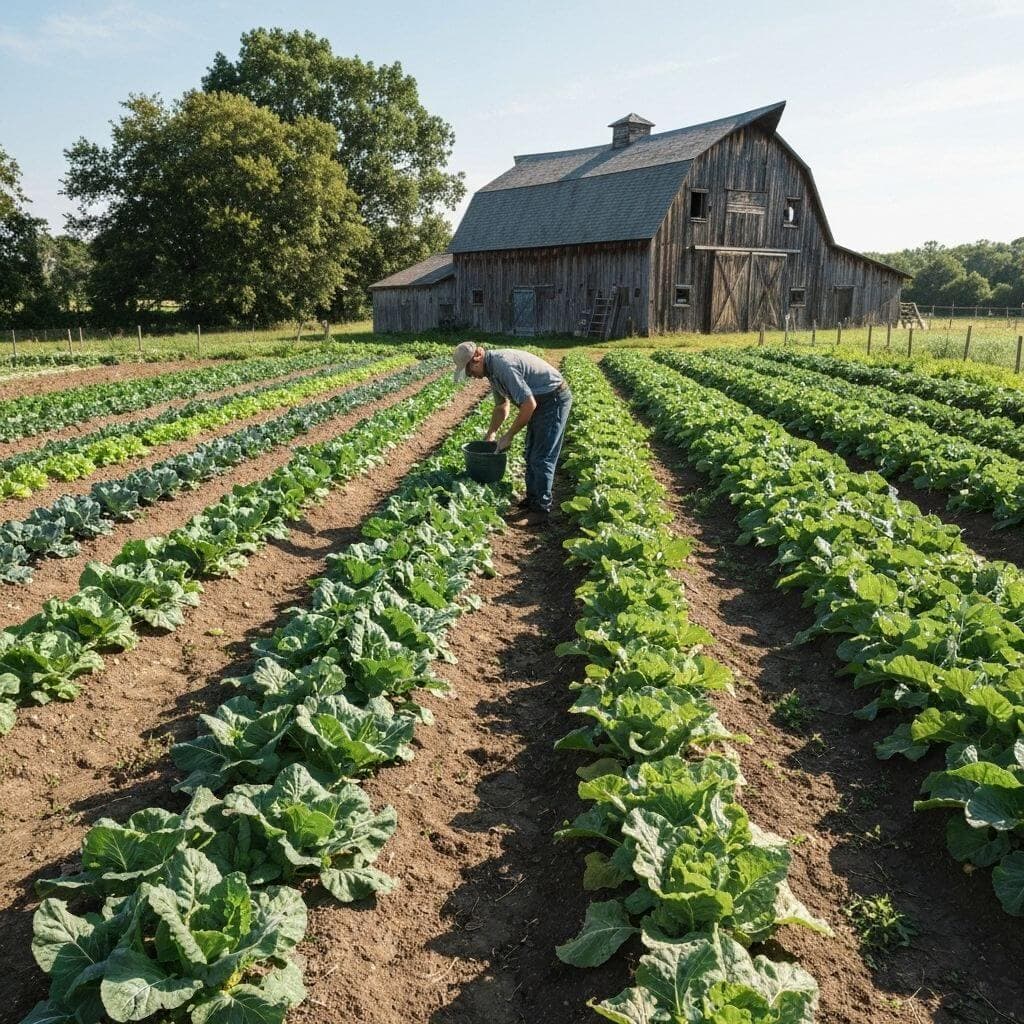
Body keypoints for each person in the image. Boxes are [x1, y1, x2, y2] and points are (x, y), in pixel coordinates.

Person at [452, 341, 572, 525]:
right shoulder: (491, 371)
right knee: (530, 452)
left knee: (541, 457)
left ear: (476, 359)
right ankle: (533, 499)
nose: (471, 376)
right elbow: (502, 406)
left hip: (553, 399)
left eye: (469, 371)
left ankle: (541, 510)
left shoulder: (503, 366)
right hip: (540, 401)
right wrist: (491, 433)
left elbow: (528, 405)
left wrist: (509, 436)